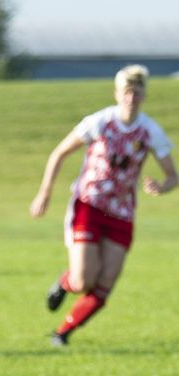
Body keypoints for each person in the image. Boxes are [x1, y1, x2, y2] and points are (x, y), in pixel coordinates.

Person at [30, 64, 177, 347]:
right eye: (127, 92)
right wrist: (45, 193)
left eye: (137, 92)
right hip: (90, 205)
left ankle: (62, 334)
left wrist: (162, 186)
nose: (132, 98)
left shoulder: (150, 131)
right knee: (83, 280)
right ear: (117, 93)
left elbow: (173, 176)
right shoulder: (100, 122)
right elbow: (59, 153)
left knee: (106, 282)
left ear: (144, 96)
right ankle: (65, 283)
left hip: (122, 212)